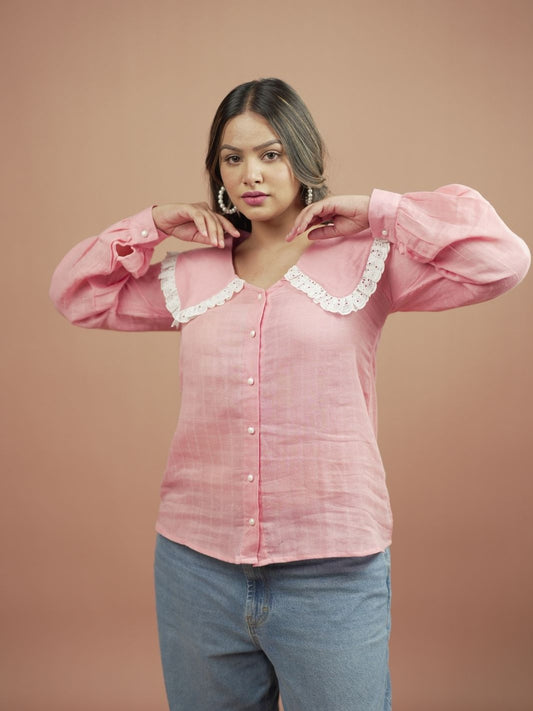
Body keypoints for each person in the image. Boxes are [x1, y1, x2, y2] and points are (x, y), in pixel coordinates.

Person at [49, 78, 530, 711]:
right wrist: (151, 224)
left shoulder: (369, 259)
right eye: (233, 157)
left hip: (332, 572)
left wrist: (380, 210)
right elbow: (75, 294)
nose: (251, 174)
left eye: (271, 154)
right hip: (197, 570)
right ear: (217, 170)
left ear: (303, 158)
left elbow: (501, 261)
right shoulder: (191, 272)